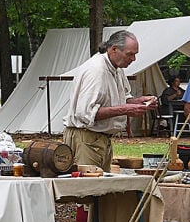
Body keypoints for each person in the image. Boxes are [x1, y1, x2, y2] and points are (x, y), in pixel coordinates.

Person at [62, 30, 154, 171]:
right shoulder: (96, 70)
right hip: (85, 138)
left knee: (102, 188)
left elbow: (122, 99)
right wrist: (126, 109)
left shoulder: (117, 69)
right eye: (130, 54)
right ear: (114, 49)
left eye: (135, 54)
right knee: (86, 188)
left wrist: (138, 102)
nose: (134, 59)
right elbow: (85, 114)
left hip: (101, 139)